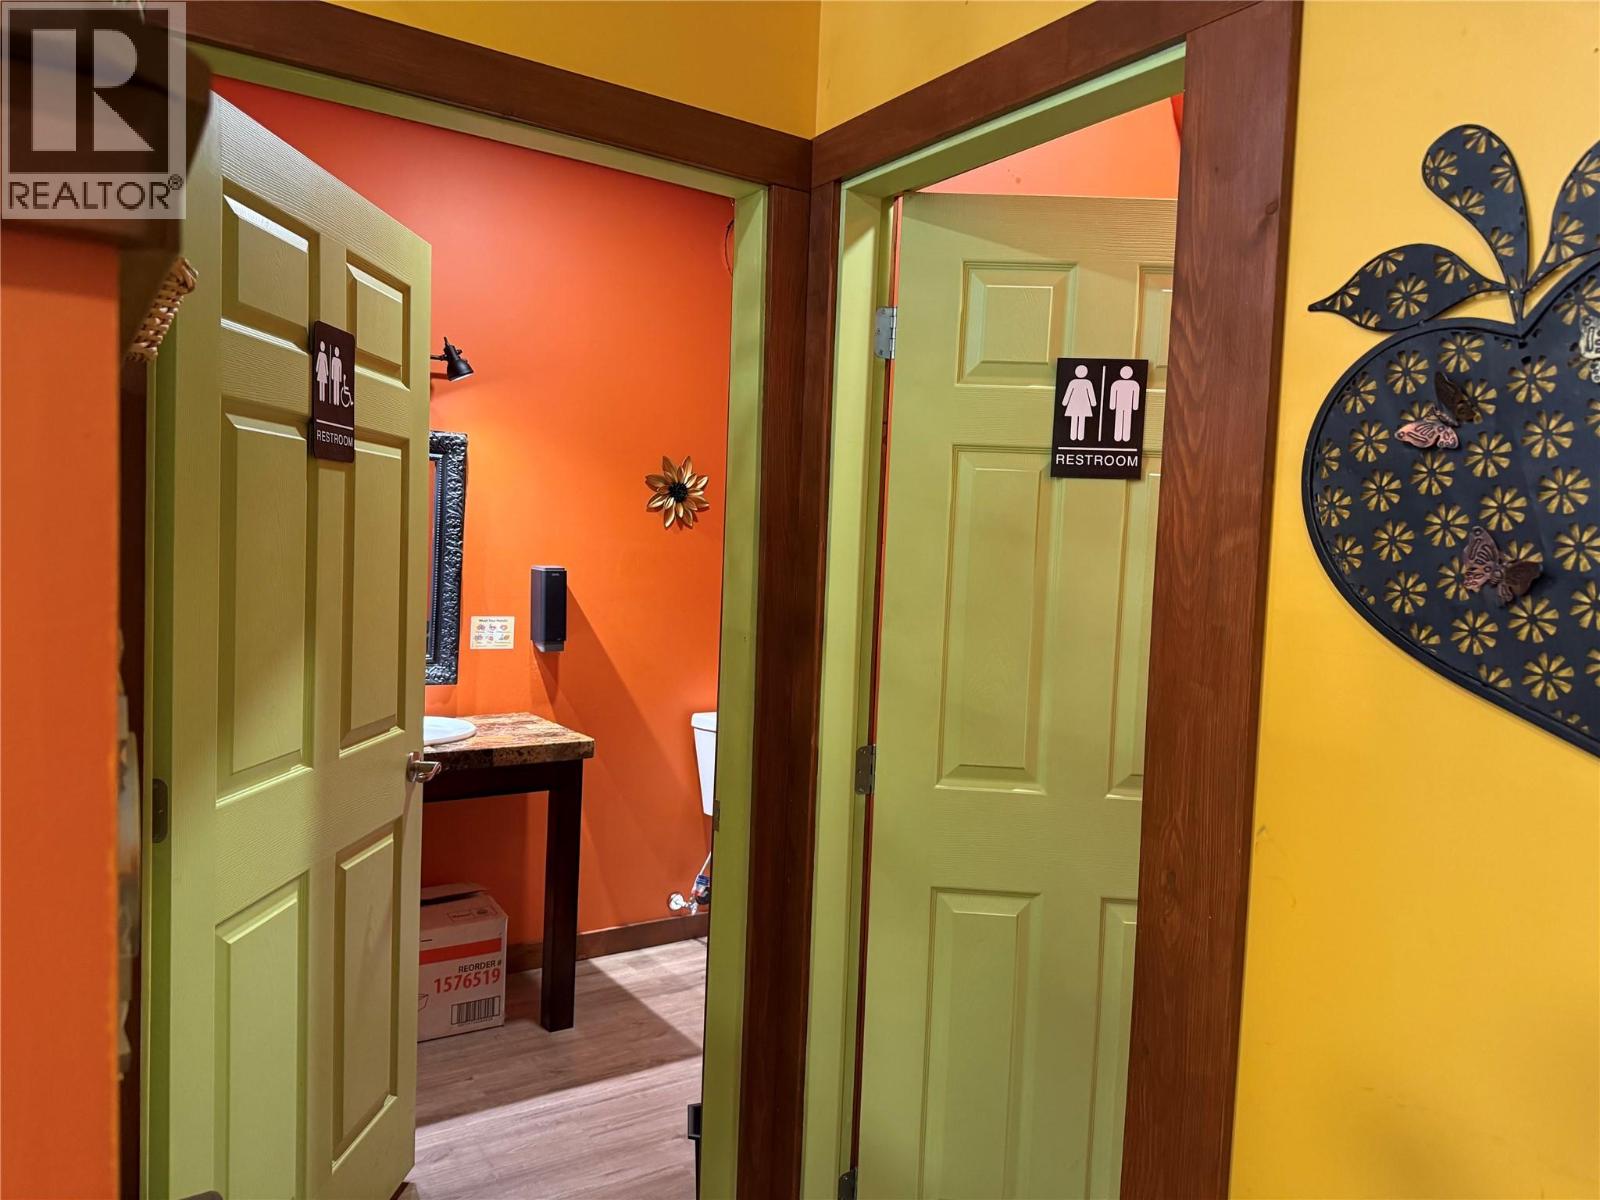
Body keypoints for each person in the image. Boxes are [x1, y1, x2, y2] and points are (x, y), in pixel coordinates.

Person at [1061, 363, 1097, 441]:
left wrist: (1065, 402)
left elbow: (1090, 393)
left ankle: (1077, 436)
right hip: (1080, 404)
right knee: (1079, 419)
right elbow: (1069, 392)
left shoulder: (1077, 382)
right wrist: (1093, 403)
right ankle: (1077, 436)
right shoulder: (1084, 382)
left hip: (1079, 404)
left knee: (1078, 419)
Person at [1109, 364, 1141, 443]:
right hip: (1121, 405)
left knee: (1125, 419)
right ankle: (1118, 436)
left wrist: (1135, 406)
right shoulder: (1117, 384)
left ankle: (1125, 437)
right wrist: (1112, 405)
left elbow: (1136, 395)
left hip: (1127, 405)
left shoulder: (1134, 384)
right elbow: (1113, 395)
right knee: (1121, 419)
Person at [314, 340, 329, 408]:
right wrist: (317, 369)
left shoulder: (324, 355)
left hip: (323, 371)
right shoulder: (320, 354)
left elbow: (326, 364)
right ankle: (320, 398)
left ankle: (323, 398)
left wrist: (327, 372)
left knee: (323, 384)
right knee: (320, 384)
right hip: (320, 371)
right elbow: (318, 362)